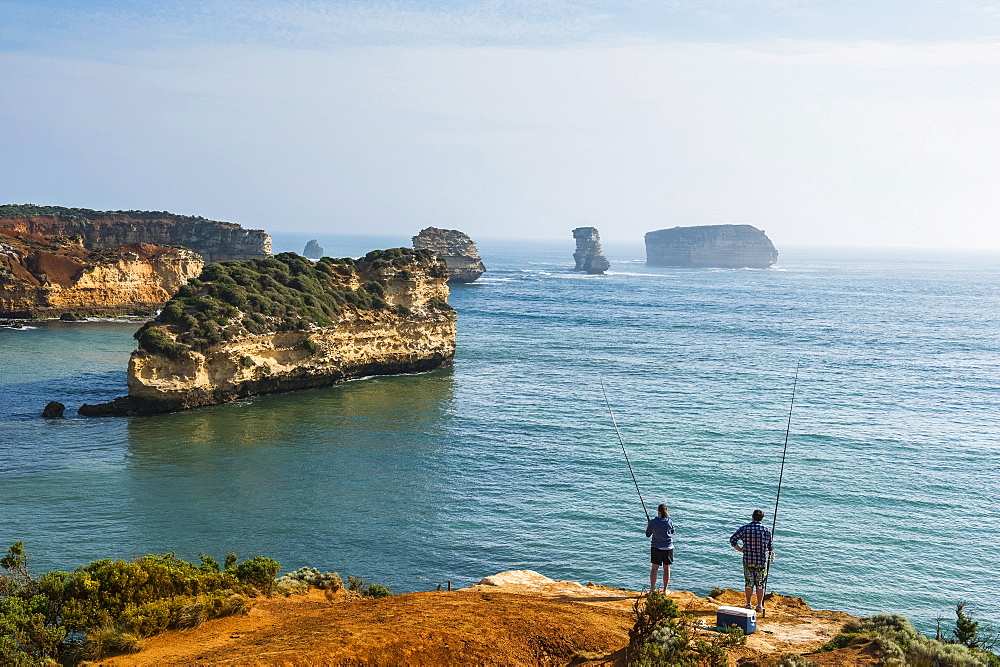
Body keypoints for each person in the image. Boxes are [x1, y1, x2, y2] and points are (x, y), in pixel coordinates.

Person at [729, 509, 773, 613]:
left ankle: (748, 604)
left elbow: (732, 540)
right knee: (760, 584)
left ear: (752, 517)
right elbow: (770, 547)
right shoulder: (766, 530)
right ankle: (759, 606)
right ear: (762, 518)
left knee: (749, 583)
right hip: (761, 561)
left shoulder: (745, 528)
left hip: (748, 560)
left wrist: (740, 549)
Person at [645, 503, 674, 593]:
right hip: (668, 548)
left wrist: (649, 525)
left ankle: (652, 590)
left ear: (658, 511)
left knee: (654, 568)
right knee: (666, 568)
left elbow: (647, 534)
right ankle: (665, 590)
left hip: (656, 548)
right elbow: (672, 531)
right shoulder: (669, 521)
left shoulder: (653, 522)